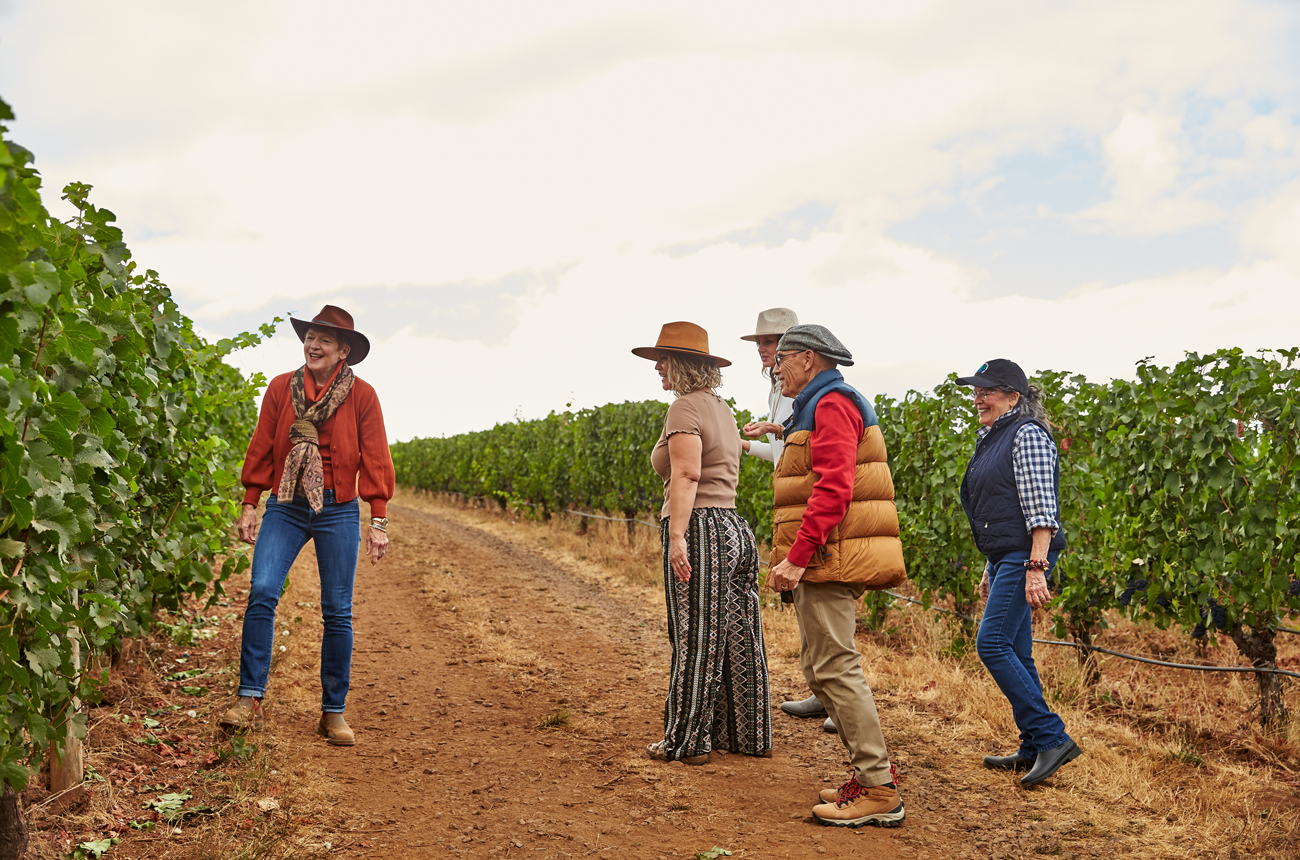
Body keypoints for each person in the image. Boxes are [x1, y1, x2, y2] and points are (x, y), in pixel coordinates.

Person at [220, 305, 395, 747]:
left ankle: (333, 712)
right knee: (262, 590)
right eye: (310, 337)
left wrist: (378, 520)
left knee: (337, 611)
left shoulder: (363, 396)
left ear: (343, 351)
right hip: (286, 503)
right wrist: (250, 502)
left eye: (325, 340)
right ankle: (249, 699)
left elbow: (375, 457)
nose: (313, 345)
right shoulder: (281, 388)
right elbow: (262, 445)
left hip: (338, 509)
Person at [765, 324, 908, 828]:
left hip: (829, 558)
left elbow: (833, 490)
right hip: (829, 556)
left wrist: (798, 556)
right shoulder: (820, 404)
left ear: (807, 358)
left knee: (836, 668)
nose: (774, 366)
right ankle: (868, 778)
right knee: (819, 667)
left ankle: (879, 788)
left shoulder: (831, 404)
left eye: (780, 358)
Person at [632, 321, 771, 764]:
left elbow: (687, 474)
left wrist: (677, 537)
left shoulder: (684, 409)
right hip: (733, 526)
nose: (658, 369)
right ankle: (745, 735)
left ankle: (687, 741)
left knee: (695, 635)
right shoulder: (722, 407)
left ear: (683, 364)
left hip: (700, 528)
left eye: (663, 361)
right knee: (738, 633)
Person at [955, 359, 1081, 786]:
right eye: (976, 390)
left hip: (1025, 555)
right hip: (1006, 555)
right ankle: (1032, 745)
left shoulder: (1025, 434)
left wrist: (1035, 568)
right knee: (1016, 650)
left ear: (1014, 397)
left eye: (986, 391)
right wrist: (990, 564)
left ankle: (1051, 737)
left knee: (991, 644)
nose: (978, 398)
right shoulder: (994, 436)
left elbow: (1041, 510)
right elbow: (998, 508)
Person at [738, 308, 833, 729]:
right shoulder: (780, 388)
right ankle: (822, 693)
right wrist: (746, 445)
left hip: (812, 505)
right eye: (760, 343)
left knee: (827, 611)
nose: (765, 351)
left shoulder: (810, 392)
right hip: (792, 501)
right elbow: (784, 455)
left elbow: (814, 452)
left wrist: (780, 433)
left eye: (772, 343)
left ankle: (836, 698)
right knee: (806, 604)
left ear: (801, 352)